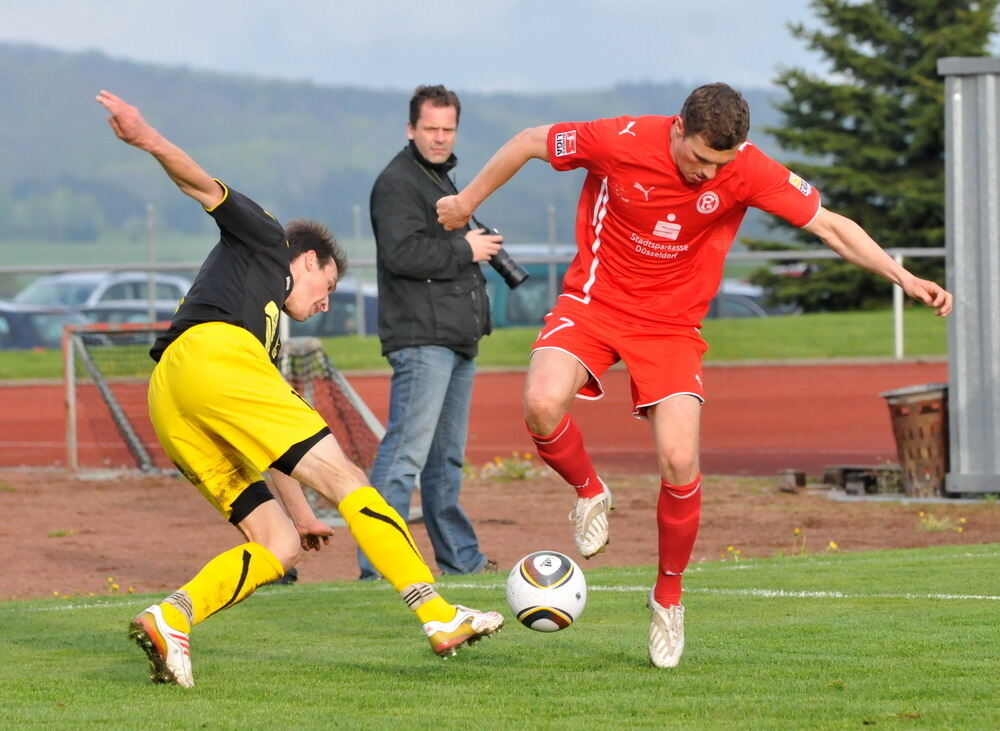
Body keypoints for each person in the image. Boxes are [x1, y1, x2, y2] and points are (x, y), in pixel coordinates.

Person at [436, 83, 953, 668]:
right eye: (702, 159)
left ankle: (668, 599)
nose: (710, 175)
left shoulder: (746, 169)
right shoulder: (621, 139)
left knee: (680, 462)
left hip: (672, 325)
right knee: (540, 403)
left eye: (722, 164)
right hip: (594, 302)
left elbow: (831, 226)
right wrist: (466, 200)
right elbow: (530, 141)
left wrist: (903, 277)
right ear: (679, 129)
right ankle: (589, 491)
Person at [95, 90, 503, 688]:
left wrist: (298, 511)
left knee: (278, 544)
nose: (325, 302)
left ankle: (171, 618)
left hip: (169, 393)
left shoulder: (266, 338)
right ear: (307, 260)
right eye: (329, 286)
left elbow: (273, 447)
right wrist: (146, 135)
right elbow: (200, 186)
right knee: (350, 482)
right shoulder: (264, 237)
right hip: (215, 355)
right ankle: (438, 614)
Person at [356, 84, 502, 580]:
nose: (440, 138)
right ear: (411, 129)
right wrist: (467, 249)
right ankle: (377, 568)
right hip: (422, 340)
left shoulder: (440, 181)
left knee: (446, 461)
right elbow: (401, 256)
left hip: (457, 338)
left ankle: (459, 560)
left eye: (448, 129)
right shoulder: (398, 182)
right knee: (404, 456)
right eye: (431, 128)